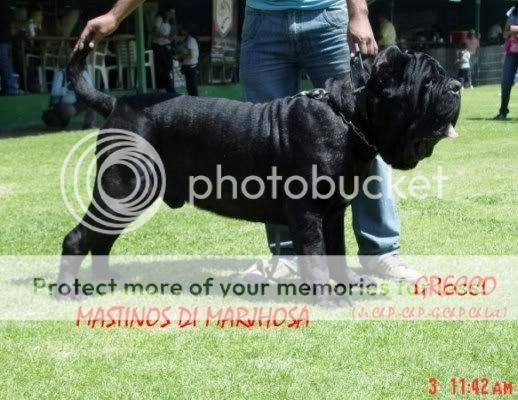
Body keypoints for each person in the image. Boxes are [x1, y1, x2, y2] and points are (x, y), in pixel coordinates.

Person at [75, 0, 423, 282]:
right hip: (263, 24)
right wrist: (115, 14)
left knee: (365, 132)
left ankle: (380, 253)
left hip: (329, 15)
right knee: (266, 149)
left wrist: (358, 12)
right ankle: (289, 258)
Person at [495, 2, 518, 120]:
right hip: (512, 52)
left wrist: (515, 29)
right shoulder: (513, 12)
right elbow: (505, 34)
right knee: (506, 81)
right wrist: (513, 30)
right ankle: (503, 112)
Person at [151, 8, 177, 93]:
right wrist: (165, 36)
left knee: (169, 66)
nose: (172, 15)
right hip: (158, 45)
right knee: (164, 66)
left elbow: (168, 35)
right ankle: (168, 88)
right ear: (166, 12)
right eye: (171, 13)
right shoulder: (159, 18)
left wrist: (171, 37)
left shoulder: (169, 22)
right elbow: (154, 31)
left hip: (166, 45)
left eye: (173, 13)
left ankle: (165, 86)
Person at [0, 0, 18, 96]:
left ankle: (10, 88)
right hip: (4, 37)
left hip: (2, 37)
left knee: (3, 63)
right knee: (3, 63)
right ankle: (9, 87)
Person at [176, 26, 199, 96]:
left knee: (192, 88)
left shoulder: (190, 40)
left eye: (181, 30)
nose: (180, 32)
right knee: (190, 88)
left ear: (185, 31)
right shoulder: (187, 39)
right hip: (188, 67)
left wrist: (179, 56)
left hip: (191, 68)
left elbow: (190, 56)